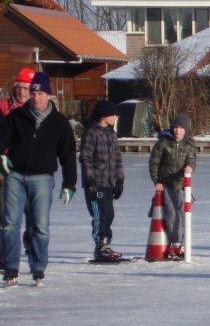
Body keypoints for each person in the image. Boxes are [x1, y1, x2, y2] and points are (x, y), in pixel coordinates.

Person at [0, 72, 77, 286]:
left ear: (49, 95)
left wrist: (69, 184)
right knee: (10, 224)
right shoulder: (16, 117)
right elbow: (2, 137)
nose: (35, 97)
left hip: (42, 178)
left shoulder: (59, 123)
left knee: (40, 226)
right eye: (33, 93)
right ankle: (11, 268)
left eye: (40, 93)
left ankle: (38, 267)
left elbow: (68, 155)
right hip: (15, 176)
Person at [79, 100, 126, 262]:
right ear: (105, 116)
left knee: (109, 214)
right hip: (95, 183)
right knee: (100, 215)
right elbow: (85, 158)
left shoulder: (111, 134)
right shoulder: (92, 133)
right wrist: (90, 180)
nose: (116, 117)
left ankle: (106, 243)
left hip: (108, 183)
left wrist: (120, 179)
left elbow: (117, 158)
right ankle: (100, 245)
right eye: (114, 114)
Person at [0, 67, 37, 267]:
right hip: (5, 171)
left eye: (26, 88)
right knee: (6, 218)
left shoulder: (38, 110)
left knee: (33, 219)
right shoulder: (4, 107)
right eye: (19, 87)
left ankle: (33, 255)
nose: (22, 91)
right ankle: (4, 258)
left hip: (31, 170)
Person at [148, 113, 197, 261]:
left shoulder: (189, 145)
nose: (178, 131)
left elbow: (192, 160)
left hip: (182, 186)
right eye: (176, 127)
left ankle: (181, 245)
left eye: (181, 128)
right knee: (171, 214)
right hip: (167, 185)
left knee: (183, 214)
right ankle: (174, 244)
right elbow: (154, 163)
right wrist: (157, 181)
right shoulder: (163, 143)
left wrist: (190, 167)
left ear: (185, 130)